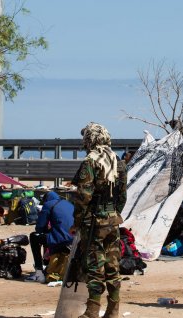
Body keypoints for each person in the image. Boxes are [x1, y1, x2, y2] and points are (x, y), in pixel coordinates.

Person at [72, 122, 128, 318]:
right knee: (113, 267)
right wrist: (113, 214)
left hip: (94, 223)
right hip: (113, 221)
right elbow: (122, 196)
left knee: (95, 267)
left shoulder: (91, 161)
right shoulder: (118, 162)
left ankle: (92, 311)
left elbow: (83, 197)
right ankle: (113, 311)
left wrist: (77, 221)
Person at [26, 190, 74, 284]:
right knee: (49, 234)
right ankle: (47, 265)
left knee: (34, 237)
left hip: (61, 238)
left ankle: (39, 272)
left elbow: (39, 227)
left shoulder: (48, 204)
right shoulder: (68, 203)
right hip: (73, 238)